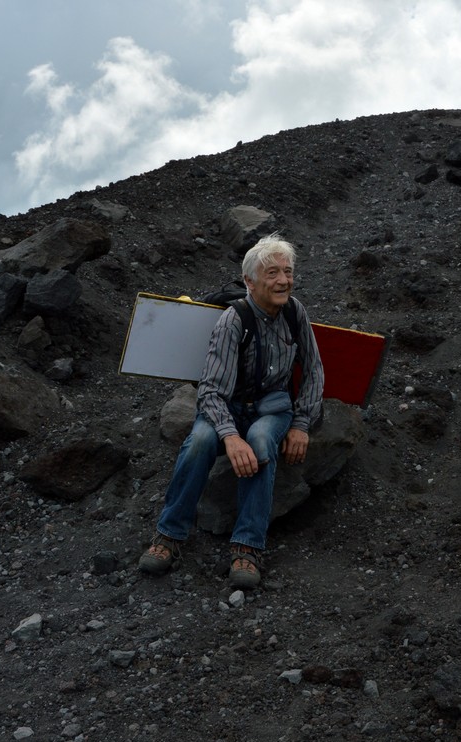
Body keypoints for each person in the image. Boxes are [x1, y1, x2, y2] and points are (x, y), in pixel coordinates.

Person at [133, 235, 326, 589]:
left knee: (262, 440)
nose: (283, 280)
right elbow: (210, 389)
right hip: (226, 406)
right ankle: (169, 536)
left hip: (272, 408)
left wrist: (301, 424)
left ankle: (247, 547)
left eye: (288, 271)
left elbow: (314, 370)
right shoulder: (233, 320)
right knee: (200, 442)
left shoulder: (296, 313)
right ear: (250, 282)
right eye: (272, 273)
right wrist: (231, 436)